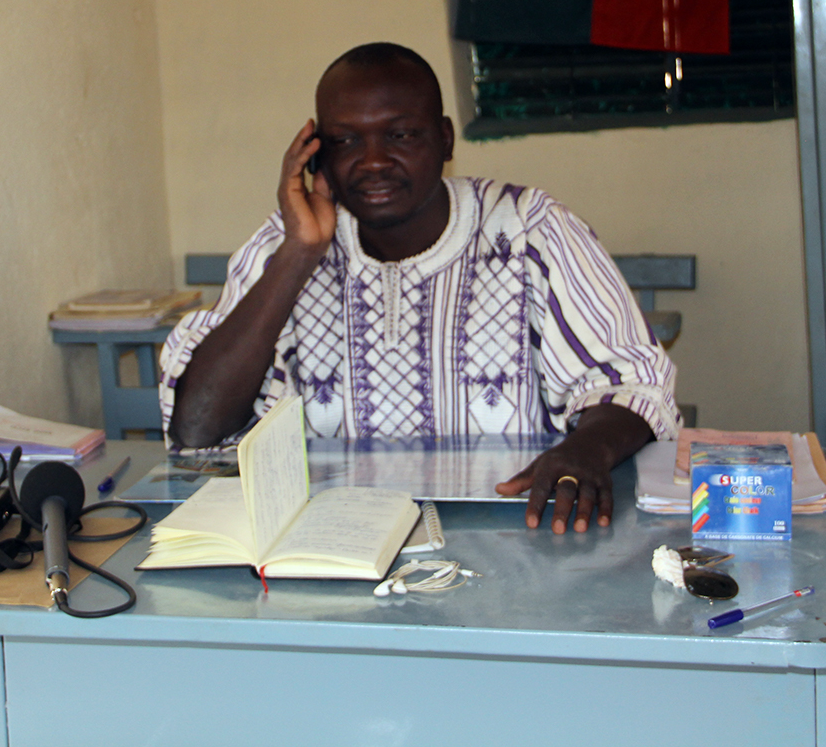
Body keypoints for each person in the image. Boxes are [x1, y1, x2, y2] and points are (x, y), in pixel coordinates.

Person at [159, 42, 679, 533]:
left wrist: (586, 448)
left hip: (515, 535)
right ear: (316, 156)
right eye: (345, 141)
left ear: (447, 138)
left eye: (401, 134)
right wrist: (299, 254)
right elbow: (197, 431)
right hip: (332, 545)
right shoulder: (284, 245)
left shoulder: (531, 229)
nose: (373, 161)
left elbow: (635, 383)